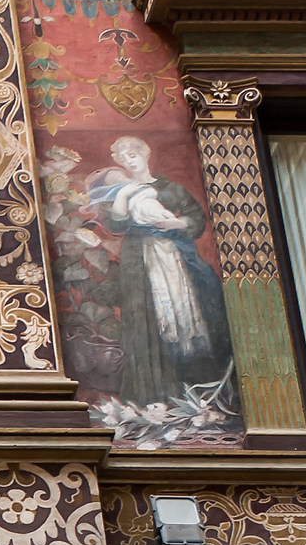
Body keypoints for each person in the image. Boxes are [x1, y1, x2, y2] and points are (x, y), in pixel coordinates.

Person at [90, 136, 230, 406]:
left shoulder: (169, 188)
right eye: (123, 157)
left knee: (184, 313)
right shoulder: (121, 190)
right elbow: (115, 226)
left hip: (174, 256)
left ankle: (193, 386)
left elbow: (197, 219)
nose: (130, 160)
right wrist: (123, 194)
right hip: (139, 261)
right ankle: (151, 392)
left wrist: (176, 223)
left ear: (145, 153)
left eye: (133, 153)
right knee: (147, 319)